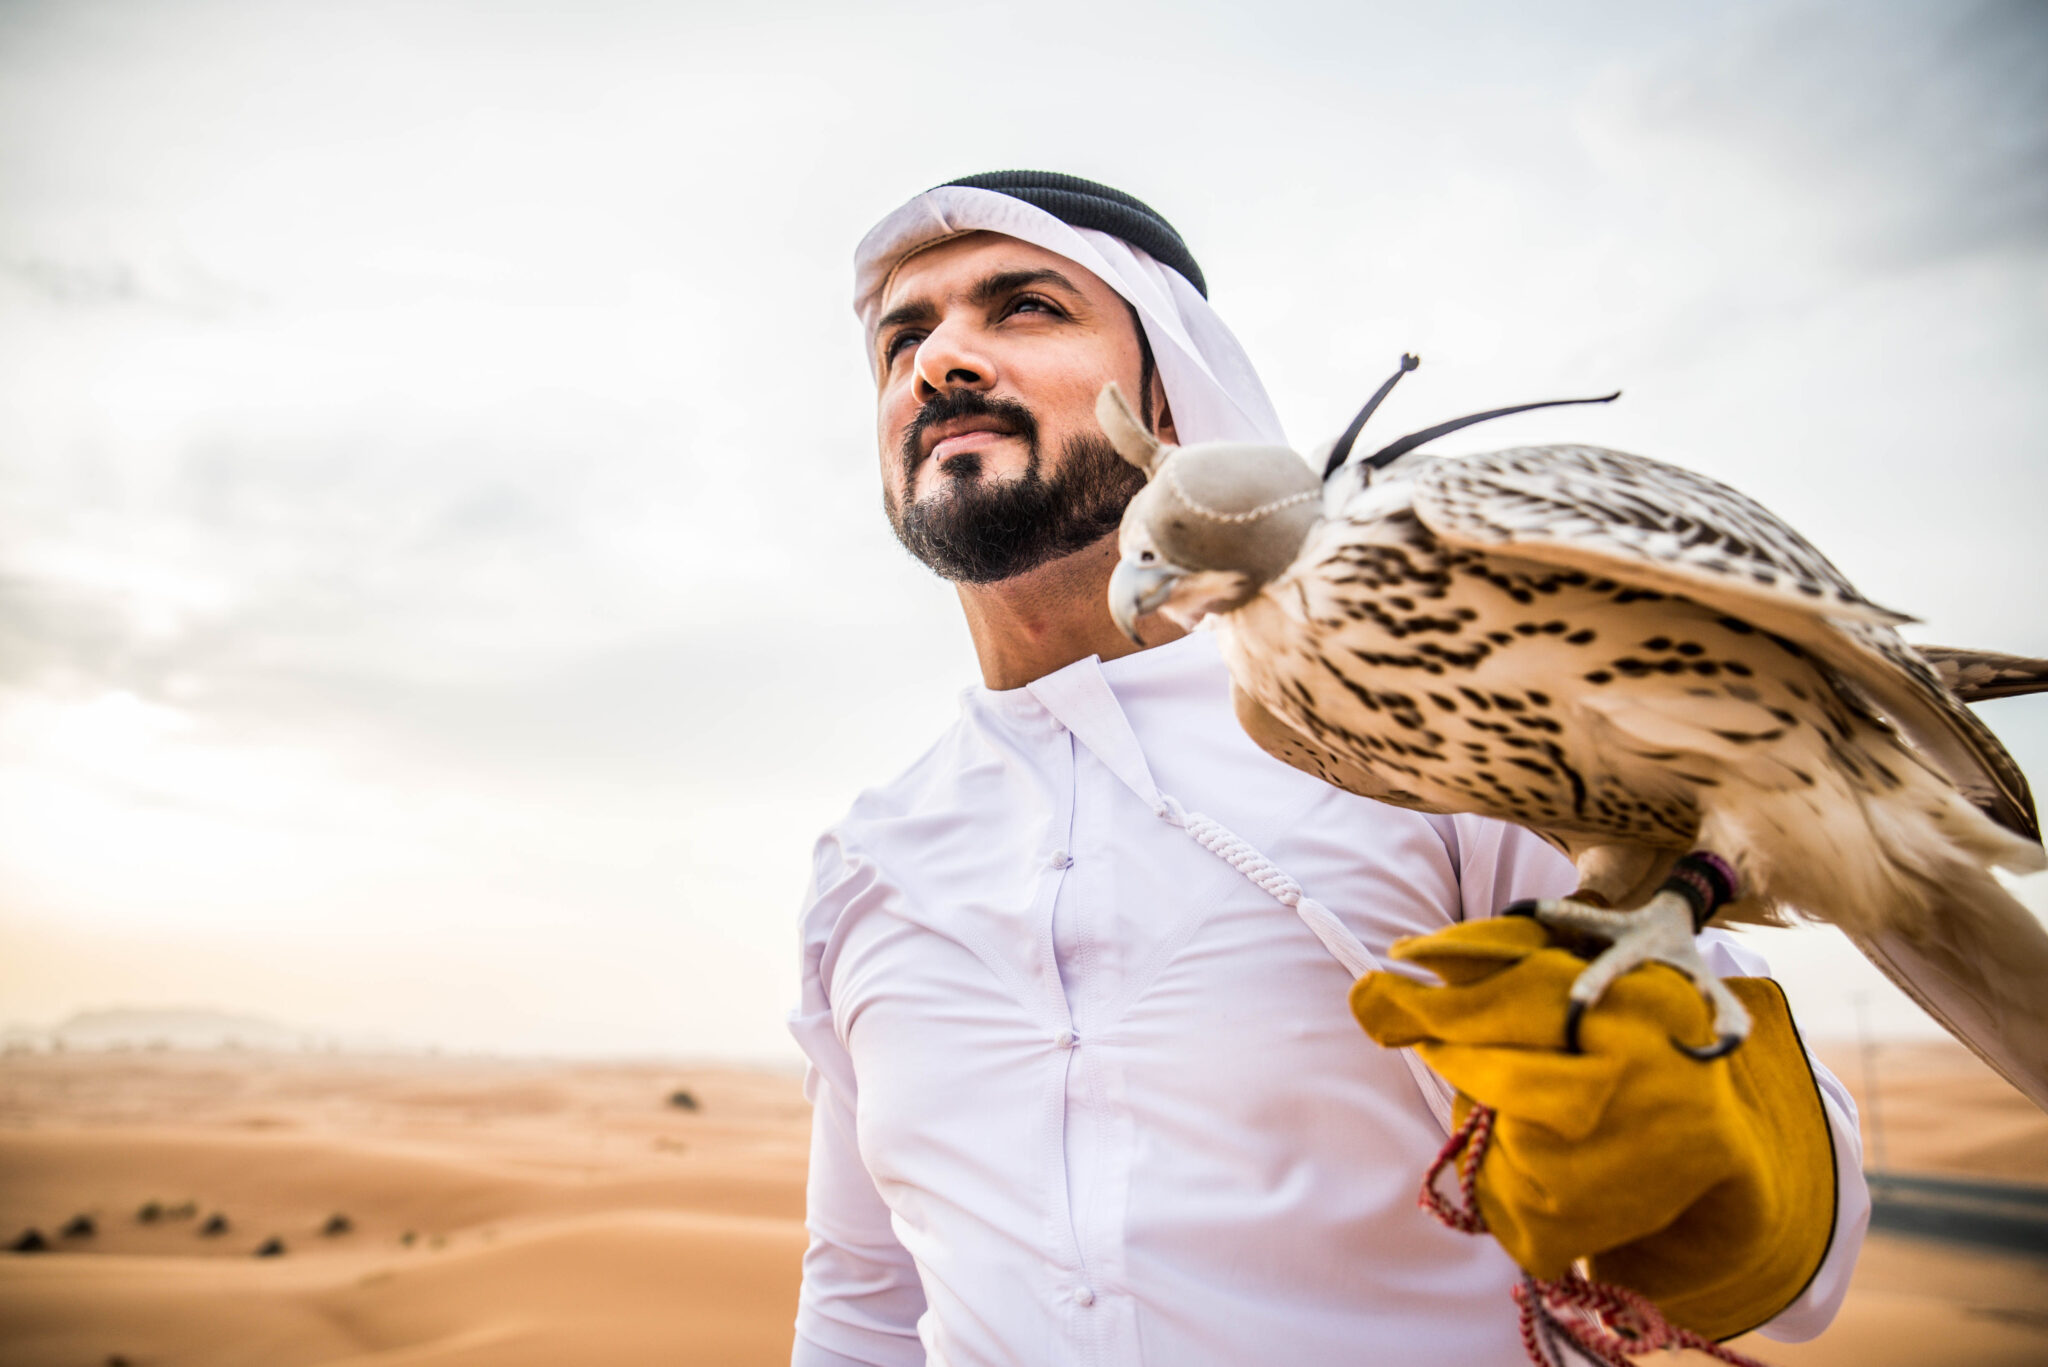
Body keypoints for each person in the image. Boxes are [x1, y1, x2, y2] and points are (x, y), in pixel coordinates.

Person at [788, 171, 1869, 1367]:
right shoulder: (867, 862)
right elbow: (860, 1300)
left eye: (1024, 307)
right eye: (903, 335)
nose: (939, 358)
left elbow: (1803, 1265)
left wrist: (1692, 1137)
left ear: (1173, 394)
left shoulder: (1424, 744)